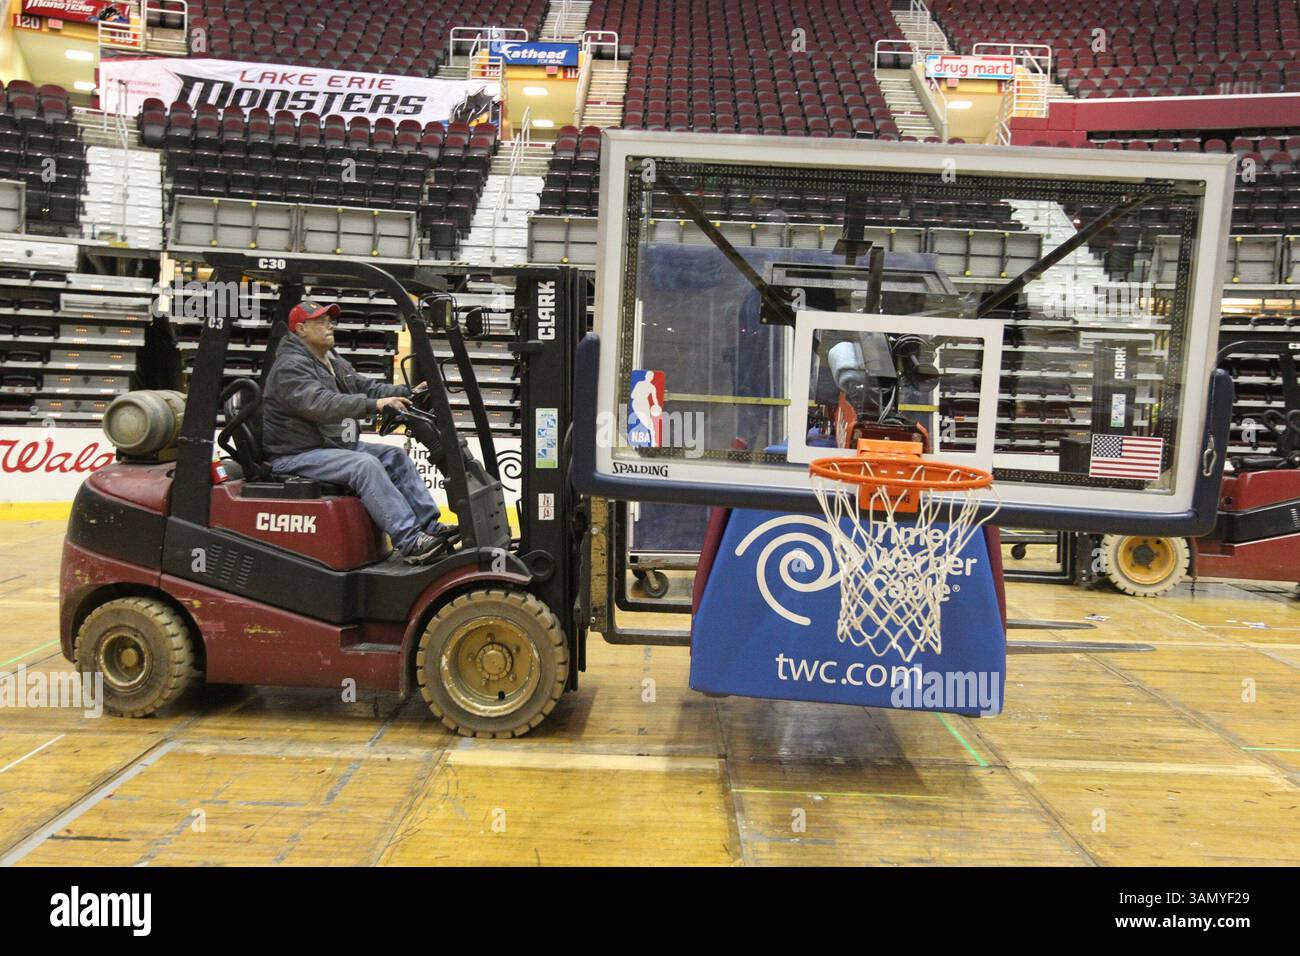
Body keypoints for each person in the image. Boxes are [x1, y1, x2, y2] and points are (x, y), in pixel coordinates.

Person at [262, 299, 457, 563]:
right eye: (320, 321)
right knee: (364, 465)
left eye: (329, 320)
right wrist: (374, 406)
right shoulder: (291, 366)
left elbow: (368, 388)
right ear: (301, 329)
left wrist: (408, 393)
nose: (329, 325)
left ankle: (430, 526)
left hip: (328, 446)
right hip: (297, 453)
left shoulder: (330, 359)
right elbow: (319, 403)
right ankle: (411, 540)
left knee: (394, 456)